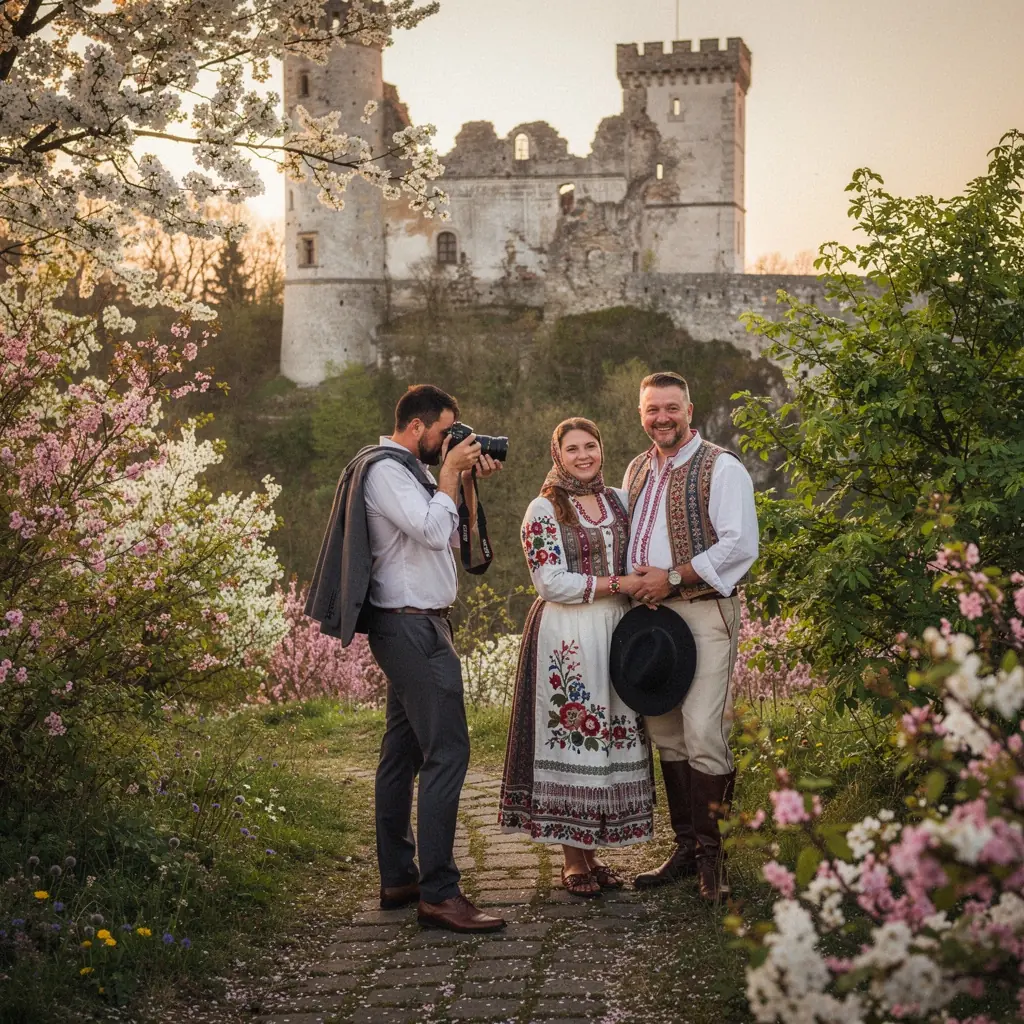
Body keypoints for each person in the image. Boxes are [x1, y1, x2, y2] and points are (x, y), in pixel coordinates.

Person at [305, 384, 506, 933]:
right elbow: (430, 529)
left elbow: (455, 541)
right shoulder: (387, 471)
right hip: (410, 627)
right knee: (449, 751)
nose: (451, 442)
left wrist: (462, 481)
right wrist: (446, 477)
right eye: (445, 434)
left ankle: (399, 876)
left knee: (402, 753)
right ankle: (440, 892)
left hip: (418, 624)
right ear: (417, 428)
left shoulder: (412, 472)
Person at [499, 418, 654, 897]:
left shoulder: (620, 502)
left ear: (602, 449)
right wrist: (617, 585)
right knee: (575, 736)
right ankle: (573, 860)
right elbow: (549, 582)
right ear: (557, 454)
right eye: (573, 448)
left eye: (591, 446)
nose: (584, 455)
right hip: (568, 634)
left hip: (619, 631)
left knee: (610, 735)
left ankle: (593, 850)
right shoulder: (544, 509)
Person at [625, 371, 759, 900]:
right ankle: (685, 847)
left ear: (689, 409)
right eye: (652, 409)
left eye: (671, 408)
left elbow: (739, 544)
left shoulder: (721, 467)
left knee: (704, 731)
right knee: (665, 730)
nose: (662, 418)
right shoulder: (636, 469)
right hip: (652, 618)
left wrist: (674, 575)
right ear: (642, 413)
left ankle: (714, 859)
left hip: (704, 611)